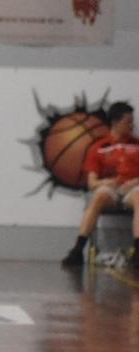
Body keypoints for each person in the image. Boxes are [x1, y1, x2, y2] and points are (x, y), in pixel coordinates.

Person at [61, 101, 139, 269]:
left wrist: (135, 181)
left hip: (132, 188)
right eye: (128, 121)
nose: (132, 125)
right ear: (116, 123)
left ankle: (137, 251)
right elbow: (92, 183)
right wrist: (106, 182)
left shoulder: (136, 145)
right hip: (111, 189)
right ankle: (78, 249)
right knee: (98, 197)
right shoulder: (99, 147)